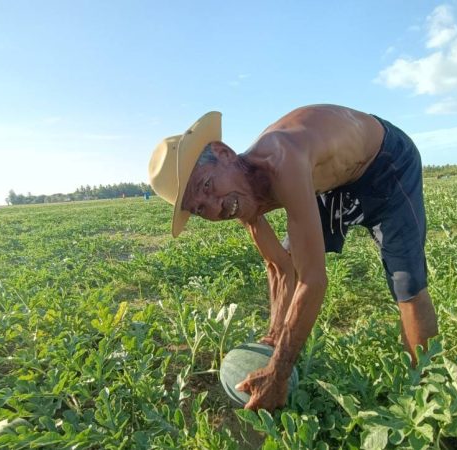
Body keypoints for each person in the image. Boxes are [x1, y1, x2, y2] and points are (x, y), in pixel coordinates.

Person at [148, 105, 438, 411]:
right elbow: (278, 267)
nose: (215, 207)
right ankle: (279, 341)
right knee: (289, 256)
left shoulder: (281, 158)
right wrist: (273, 337)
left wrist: (279, 371)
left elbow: (313, 281)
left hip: (384, 163)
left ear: (224, 153)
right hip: (328, 182)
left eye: (206, 185)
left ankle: (428, 393)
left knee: (408, 286)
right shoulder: (238, 197)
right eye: (199, 208)